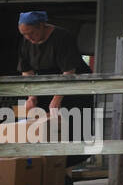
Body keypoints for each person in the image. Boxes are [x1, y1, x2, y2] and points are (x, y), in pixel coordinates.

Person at [17, 10, 93, 172]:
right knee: (43, 125)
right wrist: (32, 96)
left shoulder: (62, 37)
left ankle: (66, 171)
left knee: (73, 127)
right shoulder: (27, 41)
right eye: (24, 35)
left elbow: (68, 72)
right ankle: (48, 170)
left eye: (31, 33)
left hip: (73, 86)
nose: (28, 38)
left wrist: (56, 100)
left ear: (41, 26)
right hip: (45, 84)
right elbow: (27, 71)